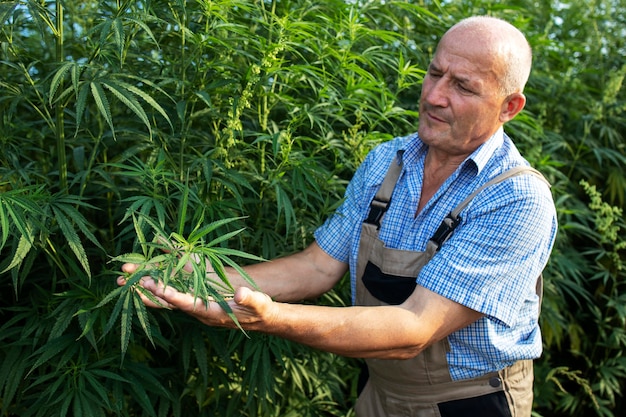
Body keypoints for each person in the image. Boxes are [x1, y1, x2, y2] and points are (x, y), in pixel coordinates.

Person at [118, 16, 557, 416]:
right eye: (435, 72)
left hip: (469, 402)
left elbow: (414, 327)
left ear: (508, 107)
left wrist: (271, 318)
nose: (434, 96)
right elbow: (317, 265)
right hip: (379, 388)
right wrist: (204, 280)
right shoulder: (388, 160)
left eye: (463, 87)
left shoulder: (516, 199)